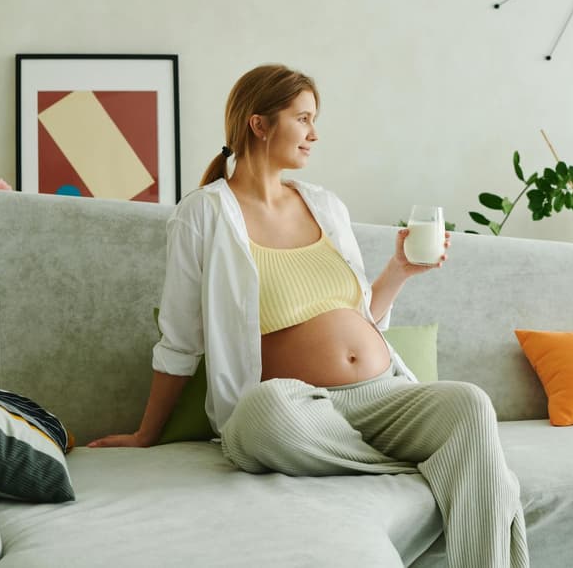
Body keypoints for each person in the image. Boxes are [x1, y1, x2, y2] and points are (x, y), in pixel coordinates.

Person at [87, 64, 529, 567]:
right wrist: (146, 434)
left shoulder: (325, 205)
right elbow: (181, 340)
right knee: (265, 413)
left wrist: (399, 271)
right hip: (296, 413)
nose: (314, 134)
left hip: (382, 398)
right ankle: (433, 467)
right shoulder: (204, 213)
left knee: (469, 402)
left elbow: (361, 318)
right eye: (303, 119)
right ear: (259, 124)